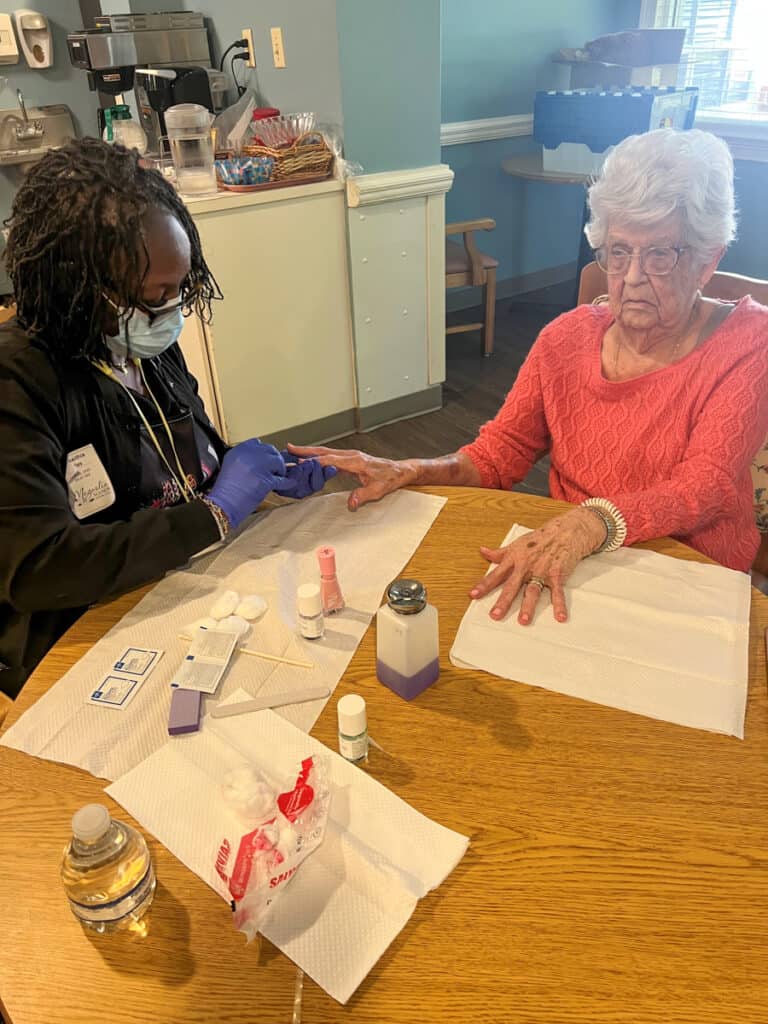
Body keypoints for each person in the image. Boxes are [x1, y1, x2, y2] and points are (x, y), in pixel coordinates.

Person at [291, 129, 768, 626]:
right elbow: (499, 456)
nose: (630, 278)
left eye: (659, 256)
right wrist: (415, 469)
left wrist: (589, 521)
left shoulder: (749, 342)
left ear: (707, 259)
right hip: (575, 565)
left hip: (690, 579)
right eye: (618, 252)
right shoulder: (565, 339)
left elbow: (702, 488)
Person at [0, 138, 334, 698]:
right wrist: (216, 512)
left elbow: (178, 459)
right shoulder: (18, 384)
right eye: (157, 293)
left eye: (181, 287)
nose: (173, 310)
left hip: (180, 587)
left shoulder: (142, 346)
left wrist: (248, 473)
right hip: (78, 633)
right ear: (78, 287)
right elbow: (40, 567)